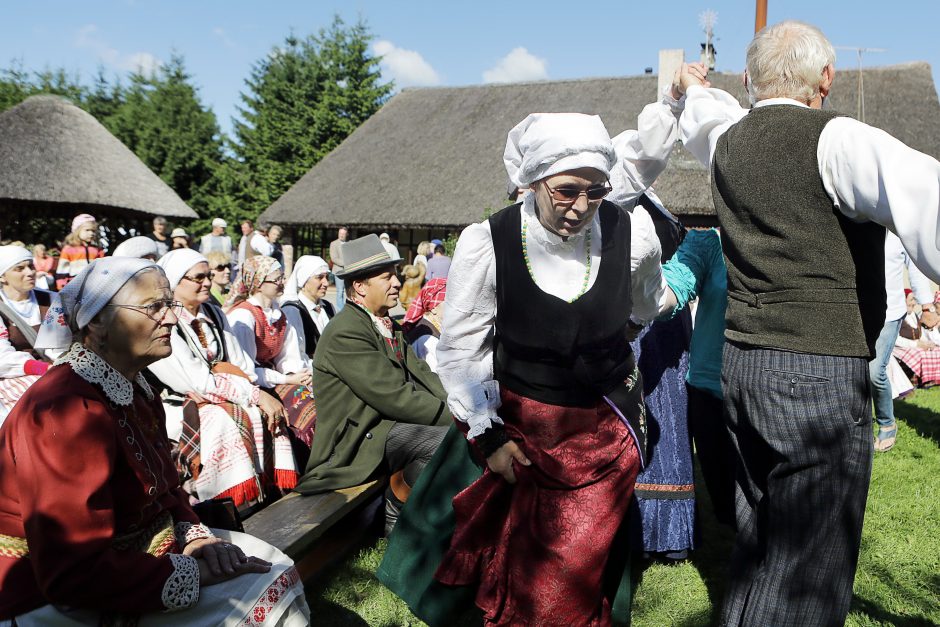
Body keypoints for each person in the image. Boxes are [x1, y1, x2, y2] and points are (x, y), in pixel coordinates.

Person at [379, 66, 691, 623]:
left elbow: (649, 303)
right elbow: (462, 349)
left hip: (601, 433)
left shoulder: (631, 234)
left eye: (595, 192)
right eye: (566, 191)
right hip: (523, 434)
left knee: (568, 584)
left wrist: (624, 328)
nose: (581, 205)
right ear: (533, 182)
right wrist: (490, 435)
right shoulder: (489, 242)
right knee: (522, 578)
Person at [678, 20, 940, 625]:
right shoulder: (838, 138)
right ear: (826, 78)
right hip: (815, 372)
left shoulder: (727, 141)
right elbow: (928, 202)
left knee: (760, 543)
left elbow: (702, 115)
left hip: (741, 365)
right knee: (809, 572)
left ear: (748, 79)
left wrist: (689, 89)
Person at [0, 256, 309, 625]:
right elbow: (71, 569)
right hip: (49, 592)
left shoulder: (134, 386)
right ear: (97, 322)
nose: (172, 318)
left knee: (272, 564)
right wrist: (190, 574)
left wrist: (195, 536)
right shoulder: (65, 410)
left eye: (169, 305)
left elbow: (163, 487)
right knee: (260, 586)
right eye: (154, 307)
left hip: (133, 554)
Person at [295, 234, 451, 535]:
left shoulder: (383, 322)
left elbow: (423, 375)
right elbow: (395, 397)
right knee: (444, 441)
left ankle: (425, 515)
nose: (396, 282)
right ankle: (396, 509)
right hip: (355, 442)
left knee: (454, 436)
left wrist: (461, 405)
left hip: (384, 428)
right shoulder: (346, 331)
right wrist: (456, 417)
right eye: (386, 277)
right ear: (360, 287)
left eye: (394, 275)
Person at [148, 249, 298, 507]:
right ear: (175, 281)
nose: (207, 282)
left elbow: (242, 365)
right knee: (225, 419)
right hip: (180, 403)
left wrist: (250, 392)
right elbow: (195, 382)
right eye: (198, 278)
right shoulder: (166, 321)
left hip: (224, 390)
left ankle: (263, 495)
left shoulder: (214, 313)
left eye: (208, 276)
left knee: (256, 412)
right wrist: (254, 394)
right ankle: (220, 501)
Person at [626, 192, 695, 559]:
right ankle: (646, 532)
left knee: (665, 423)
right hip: (638, 328)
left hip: (657, 325)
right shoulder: (625, 204)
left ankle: (667, 535)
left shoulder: (649, 208)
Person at [658, 227, 736, 526]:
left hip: (767, 388)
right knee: (725, 499)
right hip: (709, 387)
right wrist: (645, 290)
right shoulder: (709, 243)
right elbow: (672, 288)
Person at [224, 256, 317, 449]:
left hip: (273, 377)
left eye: (282, 277)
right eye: (276, 279)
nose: (282, 282)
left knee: (316, 396)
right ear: (258, 283)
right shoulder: (244, 316)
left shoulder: (278, 315)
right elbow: (245, 370)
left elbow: (288, 358)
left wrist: (297, 375)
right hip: (249, 382)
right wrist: (287, 380)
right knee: (305, 409)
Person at [871, 232, 935, 452]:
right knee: (854, 371)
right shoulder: (856, 221)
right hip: (857, 309)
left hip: (890, 311)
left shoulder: (899, 231)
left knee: (874, 370)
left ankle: (887, 423)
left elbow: (916, 271)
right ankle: (858, 426)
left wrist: (927, 307)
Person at [0, 247, 57, 425]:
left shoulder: (52, 299)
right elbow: (2, 357)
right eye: (19, 269)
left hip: (54, 369)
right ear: (2, 277)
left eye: (30, 266)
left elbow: (61, 342)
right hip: (13, 375)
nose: (30, 272)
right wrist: (41, 368)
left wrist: (58, 366)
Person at [281, 255, 335, 360]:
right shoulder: (292, 311)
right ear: (304, 281)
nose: (326, 283)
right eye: (319, 277)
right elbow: (294, 356)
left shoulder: (329, 307)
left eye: (327, 277)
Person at [893, 289, 940, 388]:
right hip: (900, 347)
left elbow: (920, 333)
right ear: (903, 300)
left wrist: (927, 343)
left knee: (936, 350)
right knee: (919, 354)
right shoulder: (897, 316)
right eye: (911, 300)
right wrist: (916, 344)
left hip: (915, 346)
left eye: (914, 300)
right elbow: (896, 340)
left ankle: (931, 380)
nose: (914, 303)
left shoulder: (914, 315)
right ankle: (917, 381)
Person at [401, 278, 447, 372]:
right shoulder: (427, 339)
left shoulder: (432, 325)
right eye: (449, 301)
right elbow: (438, 378)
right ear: (433, 308)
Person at [56, 213, 104, 289]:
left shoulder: (97, 250)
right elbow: (62, 271)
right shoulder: (69, 249)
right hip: (74, 287)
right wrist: (62, 288)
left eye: (93, 231)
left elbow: (103, 268)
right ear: (77, 230)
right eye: (87, 230)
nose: (91, 233)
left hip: (94, 287)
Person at [329, 227, 348, 311]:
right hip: (338, 271)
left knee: (347, 292)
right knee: (340, 292)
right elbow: (334, 258)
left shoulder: (348, 244)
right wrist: (345, 264)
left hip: (348, 271)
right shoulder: (333, 244)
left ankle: (346, 309)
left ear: (346, 234)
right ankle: (340, 311)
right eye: (340, 233)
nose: (341, 235)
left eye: (343, 234)